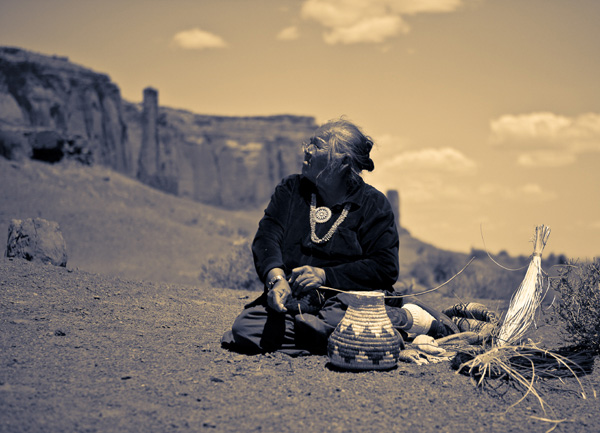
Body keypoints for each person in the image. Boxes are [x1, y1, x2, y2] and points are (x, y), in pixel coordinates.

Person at [221, 118, 453, 356]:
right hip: (299, 301)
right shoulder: (290, 190)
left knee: (334, 314)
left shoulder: (373, 204)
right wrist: (276, 280)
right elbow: (267, 238)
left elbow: (384, 268)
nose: (307, 149)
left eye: (318, 145)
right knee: (246, 328)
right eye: (309, 143)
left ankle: (397, 318)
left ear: (342, 161)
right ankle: (365, 336)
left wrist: (324, 275)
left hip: (348, 302)